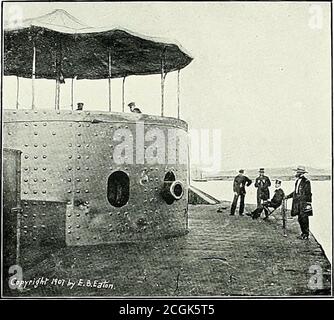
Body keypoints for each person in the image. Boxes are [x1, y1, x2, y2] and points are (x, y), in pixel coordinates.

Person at [285, 166, 312, 240]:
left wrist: (309, 204)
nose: (296, 173)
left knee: (304, 219)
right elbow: (295, 192)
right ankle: (303, 233)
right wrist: (288, 196)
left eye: (298, 172)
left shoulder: (306, 182)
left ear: (301, 173)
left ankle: (306, 234)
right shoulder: (297, 181)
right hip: (297, 203)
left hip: (303, 203)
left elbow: (308, 193)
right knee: (300, 218)